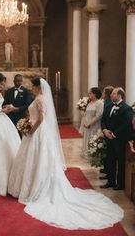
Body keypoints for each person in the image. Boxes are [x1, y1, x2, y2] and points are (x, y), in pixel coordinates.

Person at [8, 78, 123, 230]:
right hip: (34, 131)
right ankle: (27, 185)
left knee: (38, 158)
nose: (31, 89)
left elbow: (41, 118)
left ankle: (36, 188)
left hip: (37, 132)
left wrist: (31, 129)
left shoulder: (41, 99)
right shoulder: (39, 98)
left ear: (37, 87)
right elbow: (35, 115)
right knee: (32, 158)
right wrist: (27, 122)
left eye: (32, 87)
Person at [100, 87, 133, 190]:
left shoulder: (126, 108)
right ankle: (110, 181)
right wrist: (105, 130)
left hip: (119, 139)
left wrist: (113, 134)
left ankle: (121, 183)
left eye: (114, 93)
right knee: (110, 160)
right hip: (108, 138)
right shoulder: (109, 106)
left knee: (120, 161)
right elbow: (103, 120)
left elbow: (126, 124)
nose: (111, 95)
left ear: (120, 95)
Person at [79, 87, 103, 158]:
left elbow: (99, 115)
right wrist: (85, 123)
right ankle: (86, 153)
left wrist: (90, 123)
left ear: (95, 94)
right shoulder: (89, 103)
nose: (88, 94)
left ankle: (93, 155)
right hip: (87, 125)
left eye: (90, 93)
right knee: (87, 139)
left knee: (93, 139)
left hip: (94, 125)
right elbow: (87, 114)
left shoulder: (99, 103)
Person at [100, 85, 114, 175]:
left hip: (109, 130)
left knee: (108, 152)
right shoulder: (106, 102)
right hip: (105, 129)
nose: (102, 94)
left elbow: (105, 117)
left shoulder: (108, 103)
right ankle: (106, 168)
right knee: (106, 150)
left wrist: (105, 130)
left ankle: (107, 169)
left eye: (104, 92)